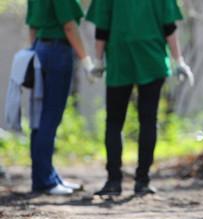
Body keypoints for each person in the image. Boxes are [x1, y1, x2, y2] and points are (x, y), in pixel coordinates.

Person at [86, 0, 193, 196]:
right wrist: (179, 60)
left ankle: (113, 181)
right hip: (151, 57)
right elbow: (169, 26)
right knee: (148, 120)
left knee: (114, 121)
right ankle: (142, 181)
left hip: (120, 58)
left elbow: (102, 27)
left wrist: (98, 60)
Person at [25, 0, 94, 195]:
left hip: (39, 48)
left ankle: (46, 175)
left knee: (40, 115)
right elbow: (69, 26)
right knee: (50, 115)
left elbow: (33, 26)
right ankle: (44, 181)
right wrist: (86, 60)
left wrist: (33, 54)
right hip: (57, 51)